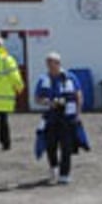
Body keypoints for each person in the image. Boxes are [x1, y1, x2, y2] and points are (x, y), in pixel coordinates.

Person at [33, 52, 83, 184]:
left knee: (66, 146)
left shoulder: (70, 78)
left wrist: (78, 114)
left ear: (59, 63)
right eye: (48, 63)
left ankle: (64, 174)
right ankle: (53, 169)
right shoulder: (43, 79)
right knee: (51, 145)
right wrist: (49, 102)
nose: (50, 66)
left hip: (67, 118)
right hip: (50, 117)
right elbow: (37, 98)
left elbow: (78, 95)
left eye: (53, 63)